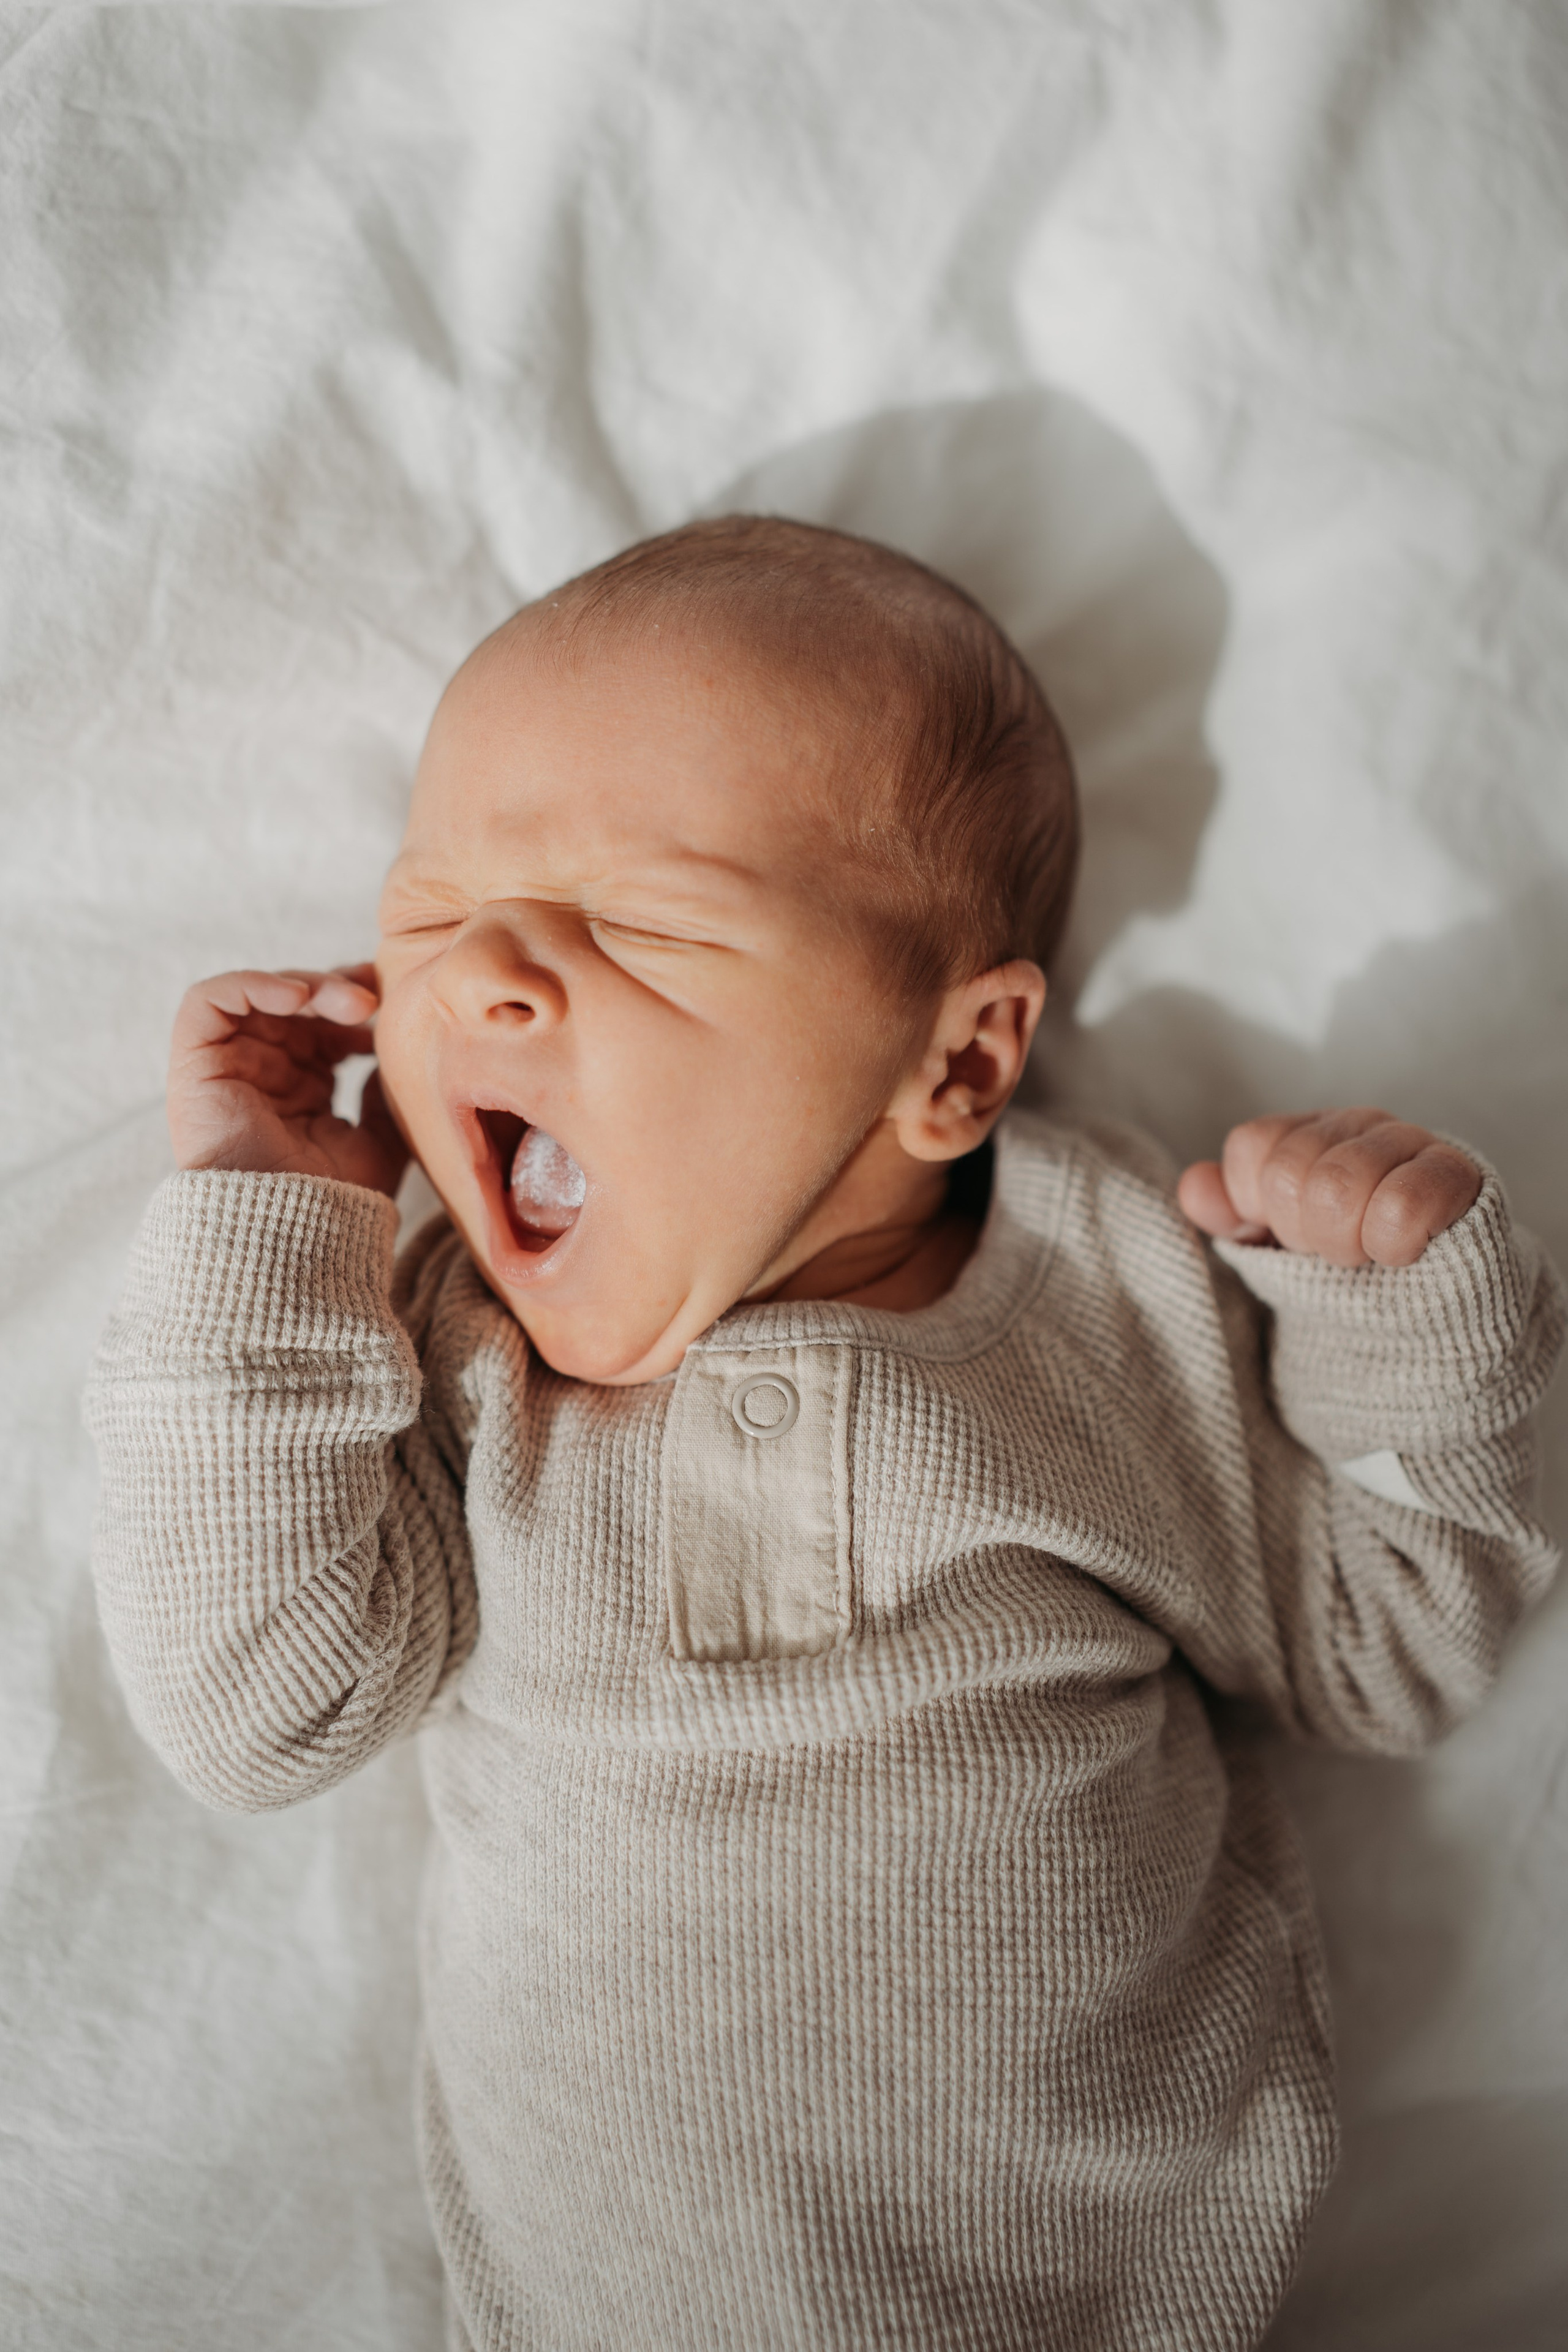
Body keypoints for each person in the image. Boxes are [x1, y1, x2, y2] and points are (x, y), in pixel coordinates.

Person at [86, 516, 1564, 2351]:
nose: (483, 981)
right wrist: (263, 1226)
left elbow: (1388, 1653)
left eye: (643, 921)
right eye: (431, 915)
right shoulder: (435, 1339)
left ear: (954, 1064)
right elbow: (254, 1709)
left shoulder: (1117, 1294)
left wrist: (1415, 1327)